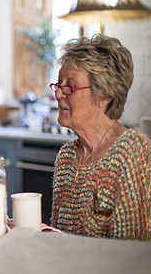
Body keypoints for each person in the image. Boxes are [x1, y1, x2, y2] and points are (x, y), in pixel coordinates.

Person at [50, 34, 150, 240]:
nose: (59, 94)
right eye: (59, 84)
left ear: (104, 95)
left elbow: (130, 252)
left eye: (70, 86)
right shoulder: (66, 157)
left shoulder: (131, 153)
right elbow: (57, 238)